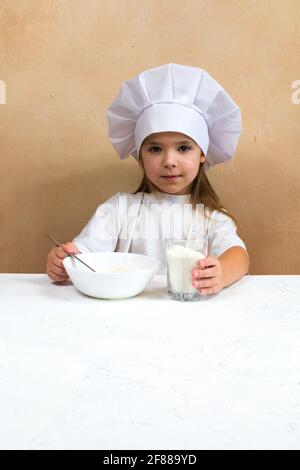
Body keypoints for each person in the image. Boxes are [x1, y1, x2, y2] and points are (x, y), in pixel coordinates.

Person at [46, 63, 250, 296]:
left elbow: (239, 255)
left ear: (203, 153)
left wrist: (221, 272)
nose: (169, 161)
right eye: (155, 149)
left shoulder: (211, 217)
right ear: (140, 156)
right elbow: (85, 252)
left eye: (183, 148)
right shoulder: (119, 209)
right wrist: (64, 262)